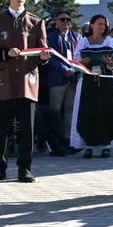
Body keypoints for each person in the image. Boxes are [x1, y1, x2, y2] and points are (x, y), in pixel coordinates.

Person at [0, 0, 50, 183]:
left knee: (27, 128)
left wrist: (44, 58)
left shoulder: (37, 23)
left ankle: (25, 169)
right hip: (3, 81)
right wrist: (4, 53)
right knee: (1, 127)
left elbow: (42, 50)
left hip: (27, 82)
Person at [71, 14, 113, 158]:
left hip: (105, 80)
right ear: (92, 25)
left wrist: (108, 62)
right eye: (99, 24)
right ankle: (88, 145)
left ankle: (106, 145)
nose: (102, 27)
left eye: (104, 24)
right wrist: (84, 62)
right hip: (88, 81)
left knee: (105, 110)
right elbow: (76, 63)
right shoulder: (83, 42)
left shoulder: (110, 41)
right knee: (88, 111)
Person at [46, 11, 80, 140]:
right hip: (58, 78)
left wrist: (74, 69)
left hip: (73, 78)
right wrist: (64, 69)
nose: (66, 22)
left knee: (70, 110)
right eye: (62, 19)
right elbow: (51, 57)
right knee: (54, 110)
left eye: (68, 19)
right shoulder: (50, 38)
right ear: (56, 21)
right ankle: (55, 139)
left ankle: (68, 137)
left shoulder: (77, 37)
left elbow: (79, 55)